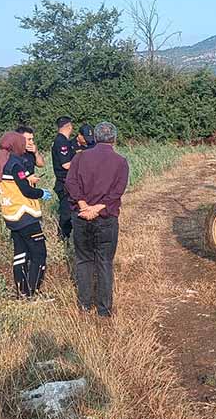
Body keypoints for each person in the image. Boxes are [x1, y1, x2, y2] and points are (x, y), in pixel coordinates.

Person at [65, 121, 129, 317]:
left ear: (96, 137)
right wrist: (98, 208)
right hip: (106, 218)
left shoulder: (79, 158)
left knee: (84, 260)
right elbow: (117, 192)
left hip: (81, 216)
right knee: (104, 262)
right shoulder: (120, 162)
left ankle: (84, 306)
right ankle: (104, 310)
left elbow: (70, 183)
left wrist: (84, 206)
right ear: (114, 139)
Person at [0, 132, 53, 297]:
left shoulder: (0, 161)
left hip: (10, 215)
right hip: (25, 214)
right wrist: (41, 193)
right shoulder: (16, 164)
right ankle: (32, 292)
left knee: (20, 253)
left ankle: (21, 291)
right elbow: (26, 190)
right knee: (39, 253)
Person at [51, 116, 76, 240]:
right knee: (66, 213)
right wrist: (82, 161)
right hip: (64, 183)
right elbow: (66, 165)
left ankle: (67, 237)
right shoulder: (62, 142)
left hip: (67, 182)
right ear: (69, 126)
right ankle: (63, 238)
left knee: (70, 211)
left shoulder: (63, 141)